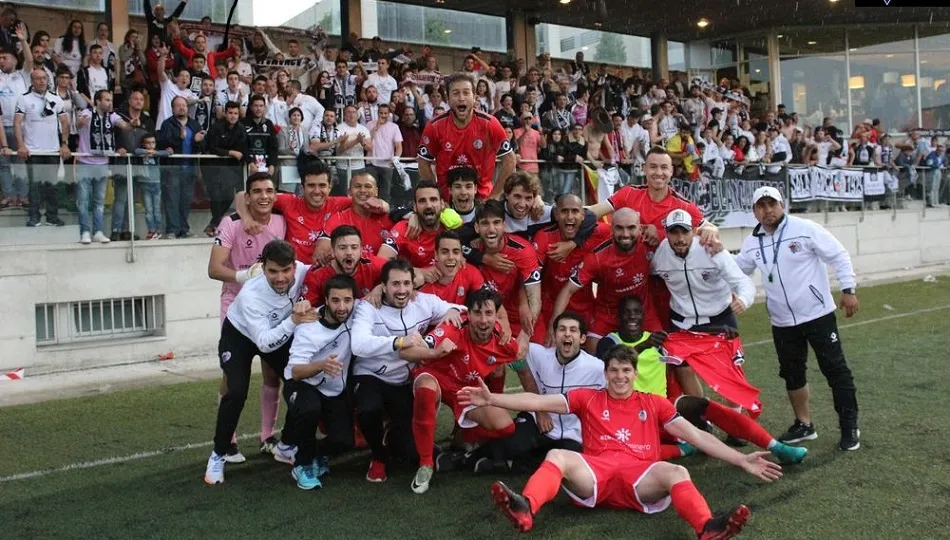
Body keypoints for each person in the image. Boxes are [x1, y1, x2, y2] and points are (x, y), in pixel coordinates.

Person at [459, 345, 783, 538]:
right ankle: (525, 507)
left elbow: (696, 435)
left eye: (625, 370)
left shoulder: (654, 403)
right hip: (596, 476)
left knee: (677, 473)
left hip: (640, 478)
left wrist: (741, 460)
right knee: (558, 454)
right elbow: (537, 402)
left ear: (634, 372)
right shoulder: (588, 398)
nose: (619, 376)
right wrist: (492, 400)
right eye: (613, 370)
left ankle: (707, 528)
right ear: (606, 372)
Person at [734, 187, 861, 451]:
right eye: (761, 206)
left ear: (782, 205)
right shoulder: (752, 241)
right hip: (782, 322)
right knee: (792, 374)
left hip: (818, 315)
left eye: (772, 204)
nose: (767, 210)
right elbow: (737, 270)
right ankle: (804, 425)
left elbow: (838, 255)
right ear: (754, 210)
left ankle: (850, 427)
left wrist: (848, 289)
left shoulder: (805, 228)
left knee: (835, 370)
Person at [204, 240, 314, 485]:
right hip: (240, 336)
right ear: (263, 268)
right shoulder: (252, 294)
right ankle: (218, 454)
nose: (280, 277)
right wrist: (294, 321)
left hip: (277, 331)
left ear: (294, 267)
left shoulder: (304, 271)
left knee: (300, 381)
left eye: (286, 271)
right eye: (273, 271)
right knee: (236, 390)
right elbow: (264, 342)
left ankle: (285, 446)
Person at [398, 288, 525, 494]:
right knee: (425, 389)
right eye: (477, 313)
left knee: (505, 427)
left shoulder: (503, 341)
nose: (483, 320)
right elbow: (406, 353)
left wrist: (542, 411)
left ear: (496, 315)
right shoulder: (453, 327)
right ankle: (426, 464)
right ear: (468, 313)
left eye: (489, 313)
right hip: (436, 378)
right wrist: (435, 352)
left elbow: (522, 369)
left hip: (466, 390)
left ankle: (462, 439)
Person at [349, 259, 464, 484]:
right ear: (383, 286)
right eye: (395, 284)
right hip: (370, 375)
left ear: (413, 285)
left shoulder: (424, 302)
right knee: (368, 409)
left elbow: (461, 310)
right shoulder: (368, 306)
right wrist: (399, 342)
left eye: (406, 284)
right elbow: (359, 344)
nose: (401, 290)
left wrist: (451, 311)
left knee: (409, 452)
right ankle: (378, 456)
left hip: (402, 380)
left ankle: (392, 434)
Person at [281, 274, 360, 490]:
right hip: (303, 383)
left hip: (334, 389)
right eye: (335, 300)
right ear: (326, 299)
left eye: (347, 300)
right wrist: (321, 365)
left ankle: (316, 455)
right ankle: (302, 464)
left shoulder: (358, 313)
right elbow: (295, 371)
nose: (342, 306)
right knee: (309, 409)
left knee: (345, 442)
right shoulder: (309, 325)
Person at [549, 208, 657, 353]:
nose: (625, 234)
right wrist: (553, 326)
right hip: (607, 315)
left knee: (665, 352)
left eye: (631, 228)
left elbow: (686, 237)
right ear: (611, 228)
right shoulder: (597, 258)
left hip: (643, 311)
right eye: (619, 228)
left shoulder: (651, 244)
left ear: (640, 228)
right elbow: (568, 290)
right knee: (594, 354)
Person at [417, 72, 516, 201]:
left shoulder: (489, 124)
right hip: (447, 202)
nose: (461, 98)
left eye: (466, 93)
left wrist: (494, 196)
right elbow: (423, 162)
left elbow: (510, 159)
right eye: (456, 93)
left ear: (474, 97)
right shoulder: (434, 126)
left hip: (481, 200)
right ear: (447, 98)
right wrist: (437, 197)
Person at [531, 193, 610, 344]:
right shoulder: (544, 237)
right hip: (550, 308)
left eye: (574, 211)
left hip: (586, 309)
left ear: (583, 215)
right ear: (556, 214)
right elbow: (531, 279)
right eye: (564, 211)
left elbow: (626, 233)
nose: (569, 217)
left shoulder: (600, 233)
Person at [15, 67, 71, 228]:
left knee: (51, 185)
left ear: (48, 80)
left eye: (44, 78)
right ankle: (34, 217)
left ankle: (52, 217)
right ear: (32, 81)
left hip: (52, 150)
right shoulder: (23, 98)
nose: (41, 81)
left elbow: (65, 122)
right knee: (34, 185)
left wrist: (64, 144)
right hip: (33, 150)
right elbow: (17, 122)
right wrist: (20, 145)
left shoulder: (56, 99)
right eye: (37, 78)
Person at [75, 90, 130, 245]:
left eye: (110, 100)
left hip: (102, 163)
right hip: (85, 162)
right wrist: (81, 123)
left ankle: (98, 231)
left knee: (99, 201)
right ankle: (85, 232)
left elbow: (123, 125)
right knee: (83, 201)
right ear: (97, 101)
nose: (109, 103)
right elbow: (77, 125)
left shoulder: (112, 116)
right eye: (106, 100)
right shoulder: (86, 113)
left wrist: (130, 124)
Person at [302, 225, 386, 307]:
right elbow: (305, 312)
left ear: (361, 250)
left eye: (354, 247)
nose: (349, 252)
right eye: (342, 248)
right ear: (333, 250)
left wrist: (381, 287)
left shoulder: (371, 264)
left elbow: (397, 271)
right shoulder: (316, 274)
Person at [318, 171, 395, 260]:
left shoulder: (388, 219)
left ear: (376, 191)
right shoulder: (338, 219)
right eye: (357, 186)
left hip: (378, 271)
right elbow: (321, 253)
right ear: (349, 191)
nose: (362, 190)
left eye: (368, 186)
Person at [204, 100, 247, 234]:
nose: (233, 116)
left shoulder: (241, 128)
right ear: (225, 113)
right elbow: (212, 147)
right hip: (215, 169)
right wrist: (230, 152)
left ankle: (214, 224)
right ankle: (214, 224)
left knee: (228, 197)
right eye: (230, 113)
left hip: (233, 170)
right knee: (217, 198)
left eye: (235, 113)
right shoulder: (216, 127)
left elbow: (244, 149)